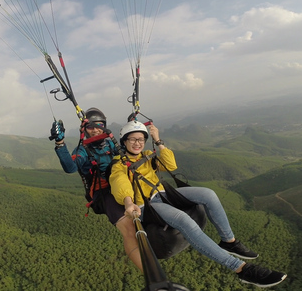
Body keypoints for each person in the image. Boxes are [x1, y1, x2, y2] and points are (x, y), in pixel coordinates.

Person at [109, 120, 288, 288]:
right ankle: (241, 269)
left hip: (163, 192)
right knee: (184, 220)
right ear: (124, 142)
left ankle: (229, 241)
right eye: (132, 139)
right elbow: (120, 183)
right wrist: (128, 202)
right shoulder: (120, 164)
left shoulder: (148, 156)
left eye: (141, 139)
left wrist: (158, 140)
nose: (137, 143)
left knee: (208, 194)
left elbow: (171, 165)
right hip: (146, 203)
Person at [50, 108, 143, 271]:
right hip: (104, 194)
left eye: (98, 125)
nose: (95, 129)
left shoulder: (111, 144)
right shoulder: (82, 151)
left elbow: (129, 151)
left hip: (123, 185)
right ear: (84, 130)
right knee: (129, 229)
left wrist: (132, 124)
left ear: (104, 126)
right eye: (90, 127)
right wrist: (60, 143)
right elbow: (71, 167)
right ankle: (152, 276)